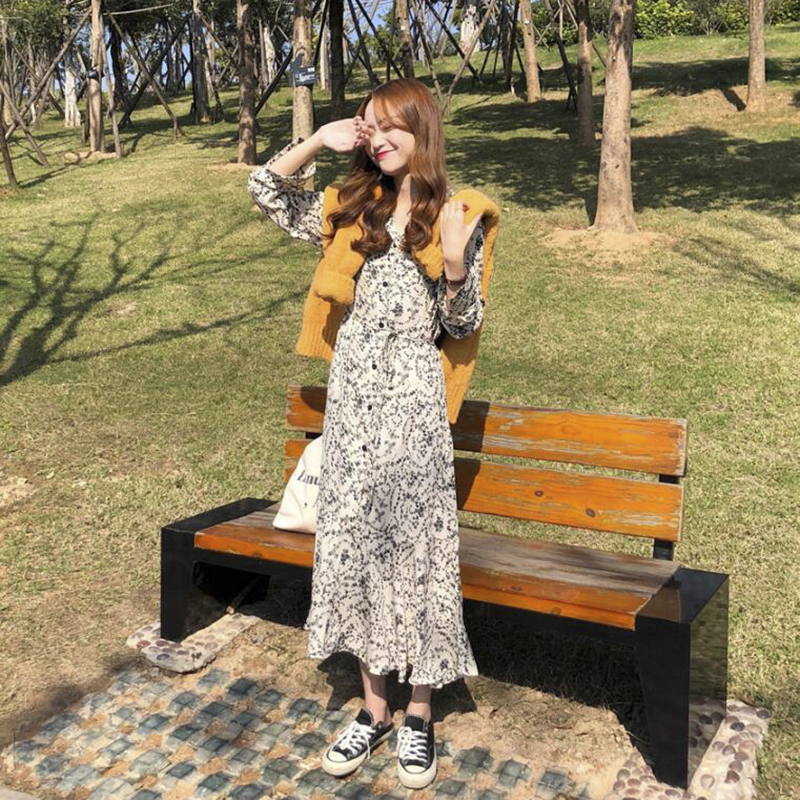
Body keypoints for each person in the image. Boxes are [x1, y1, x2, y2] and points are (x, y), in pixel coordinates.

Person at [248, 77, 500, 791]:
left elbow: (461, 324)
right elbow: (266, 191)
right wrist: (317, 142)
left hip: (414, 404)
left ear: (423, 130)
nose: (380, 138)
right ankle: (373, 708)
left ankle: (419, 712)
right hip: (354, 400)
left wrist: (456, 263)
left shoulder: (460, 214)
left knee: (417, 551)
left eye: (393, 126)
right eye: (370, 125)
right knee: (353, 545)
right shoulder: (355, 206)